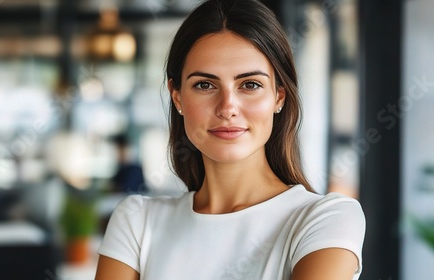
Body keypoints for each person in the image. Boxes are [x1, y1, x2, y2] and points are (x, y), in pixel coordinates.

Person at [95, 0, 366, 279]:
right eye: (205, 85)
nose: (227, 107)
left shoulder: (325, 220)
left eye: (250, 85)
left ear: (279, 96)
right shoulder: (137, 221)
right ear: (177, 96)